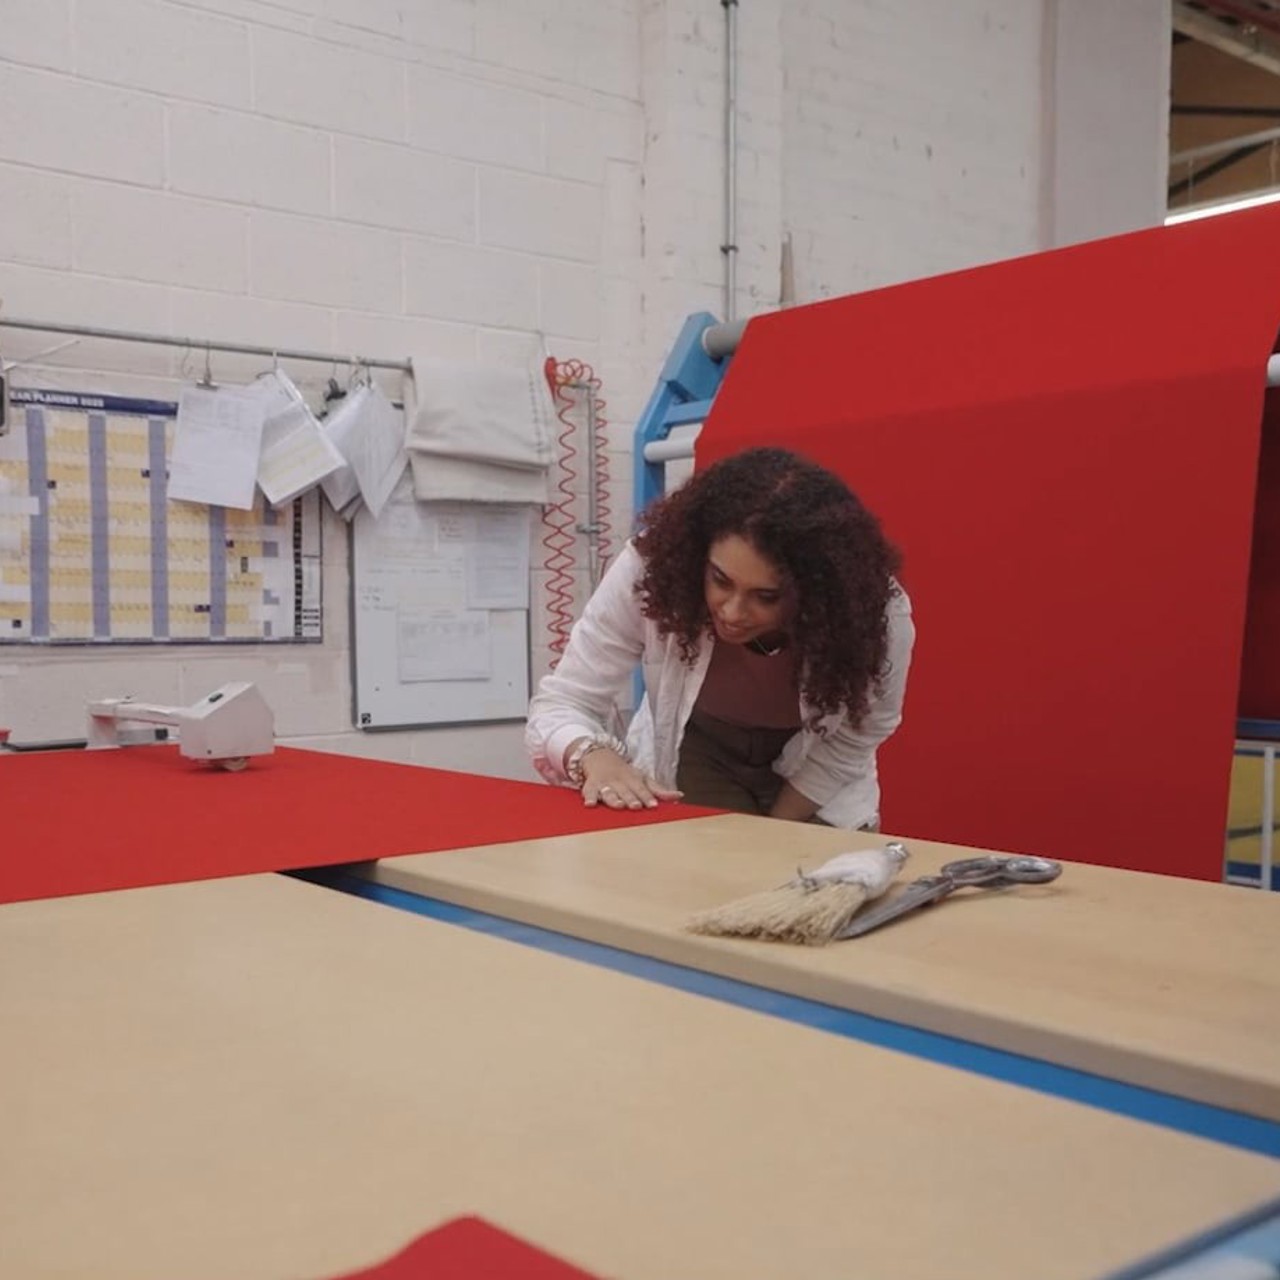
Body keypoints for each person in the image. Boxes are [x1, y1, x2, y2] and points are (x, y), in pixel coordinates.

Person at [525, 446, 914, 830]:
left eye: (766, 597)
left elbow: (861, 732)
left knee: (813, 878)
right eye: (720, 580)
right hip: (700, 750)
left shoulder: (872, 610)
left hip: (816, 768)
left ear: (814, 592)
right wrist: (593, 755)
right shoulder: (652, 569)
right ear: (698, 558)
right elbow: (564, 700)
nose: (731, 612)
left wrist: (775, 832)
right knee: (703, 878)